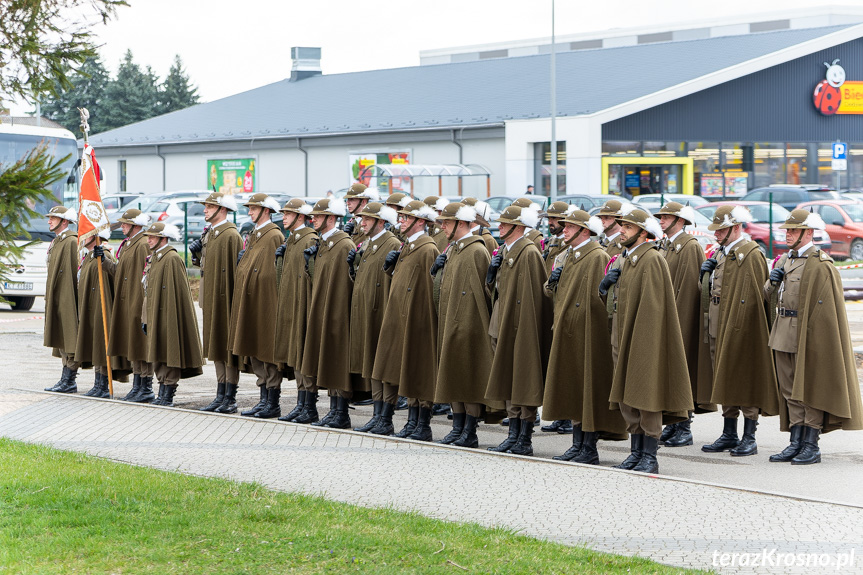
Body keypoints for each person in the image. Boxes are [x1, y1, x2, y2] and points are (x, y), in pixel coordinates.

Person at [763, 209, 863, 464]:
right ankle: (795, 441)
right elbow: (766, 294)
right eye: (786, 230)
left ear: (808, 233)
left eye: (793, 230)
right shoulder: (786, 260)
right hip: (783, 331)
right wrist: (772, 280)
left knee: (807, 388)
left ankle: (811, 443)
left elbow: (827, 311)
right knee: (789, 390)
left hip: (807, 335)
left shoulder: (820, 264)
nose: (787, 234)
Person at [600, 206, 693, 473]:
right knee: (628, 396)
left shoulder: (651, 259)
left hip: (644, 340)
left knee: (646, 394)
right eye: (622, 226)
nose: (621, 231)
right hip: (623, 335)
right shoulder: (627, 259)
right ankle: (636, 450)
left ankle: (649, 455)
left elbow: (653, 308)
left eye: (628, 227)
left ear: (643, 233)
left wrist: (644, 343)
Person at [542, 209, 626, 463]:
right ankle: (577, 443)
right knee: (574, 387)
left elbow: (601, 299)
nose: (563, 230)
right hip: (567, 329)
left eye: (569, 227)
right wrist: (552, 282)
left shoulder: (597, 256)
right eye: (564, 226)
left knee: (588, 389)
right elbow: (552, 294)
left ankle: (589, 446)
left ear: (584, 230)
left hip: (589, 333)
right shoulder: (568, 255)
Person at [700, 205, 780, 457]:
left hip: (741, 327)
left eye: (721, 230)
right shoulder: (724, 253)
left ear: (736, 228)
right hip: (718, 321)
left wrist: (744, 329)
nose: (716, 235)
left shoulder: (750, 253)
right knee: (722, 375)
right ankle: (729, 432)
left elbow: (757, 298)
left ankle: (749, 436)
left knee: (744, 377)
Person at [485, 205, 552, 455]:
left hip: (520, 327)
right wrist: (490, 275)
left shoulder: (528, 252)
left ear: (519, 226)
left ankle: (524, 437)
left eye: (505, 223)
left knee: (523, 379)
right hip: (501, 323)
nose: (499, 226)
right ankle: (513, 434)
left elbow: (534, 298)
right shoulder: (505, 250)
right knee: (508, 378)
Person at [372, 200, 441, 440]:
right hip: (401, 316)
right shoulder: (409, 246)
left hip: (418, 320)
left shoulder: (427, 248)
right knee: (407, 369)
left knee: (420, 369)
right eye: (400, 217)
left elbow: (427, 290)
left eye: (405, 218)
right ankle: (412, 422)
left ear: (420, 221)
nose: (400, 221)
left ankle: (422, 424)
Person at [432, 202, 496, 448]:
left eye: (447, 222)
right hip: (452, 321)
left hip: (470, 324)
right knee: (453, 374)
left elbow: (483, 294)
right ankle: (457, 426)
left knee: (469, 376)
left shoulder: (476, 250)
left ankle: (469, 430)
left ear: (462, 223)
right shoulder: (454, 249)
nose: (443, 226)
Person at [655, 202, 716, 447]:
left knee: (684, 372)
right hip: (668, 318)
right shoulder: (668, 246)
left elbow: (690, 291)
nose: (660, 220)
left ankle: (684, 426)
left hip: (682, 319)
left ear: (680, 221)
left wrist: (676, 323)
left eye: (666, 217)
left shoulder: (689, 247)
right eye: (660, 217)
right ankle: (674, 424)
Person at [226, 193, 285, 418]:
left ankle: (272, 401)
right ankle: (264, 398)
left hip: (264, 302)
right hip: (251, 300)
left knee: (266, 350)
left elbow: (272, 274)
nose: (249, 212)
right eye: (249, 208)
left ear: (266, 211)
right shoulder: (255, 235)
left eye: (253, 208)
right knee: (256, 353)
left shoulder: (272, 235)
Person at [302, 198, 356, 428]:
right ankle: (334, 409)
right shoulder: (324, 243)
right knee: (328, 358)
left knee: (338, 360)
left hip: (338, 312)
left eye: (318, 215)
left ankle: (341, 412)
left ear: (331, 218)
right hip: (323, 308)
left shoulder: (343, 244)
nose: (312, 218)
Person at [348, 202, 402, 434]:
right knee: (372, 365)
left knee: (383, 367)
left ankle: (385, 418)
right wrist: (353, 266)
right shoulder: (370, 244)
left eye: (368, 219)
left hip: (382, 314)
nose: (363, 223)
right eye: (362, 219)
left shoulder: (391, 243)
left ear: (381, 221)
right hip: (368, 312)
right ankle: (377, 415)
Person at [189, 192, 243, 414]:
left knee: (227, 348)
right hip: (211, 298)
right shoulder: (211, 234)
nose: (205, 210)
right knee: (216, 347)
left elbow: (234, 273)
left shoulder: (231, 236)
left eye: (210, 206)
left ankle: (229, 397)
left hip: (226, 300)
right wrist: (197, 254)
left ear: (222, 209)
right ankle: (220, 393)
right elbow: (206, 266)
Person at [141, 222, 204, 406]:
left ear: (163, 238)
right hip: (154, 312)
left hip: (168, 313)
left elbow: (177, 293)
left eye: (153, 236)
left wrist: (170, 316)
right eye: (149, 236)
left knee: (169, 351)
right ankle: (161, 389)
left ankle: (168, 391)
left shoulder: (171, 258)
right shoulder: (154, 258)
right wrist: (146, 316)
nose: (149, 239)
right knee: (157, 351)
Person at [274, 199, 320, 423]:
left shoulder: (309, 238)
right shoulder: (293, 239)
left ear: (300, 216)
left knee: (304, 355)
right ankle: (302, 404)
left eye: (288, 214)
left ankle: (309, 406)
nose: (284, 217)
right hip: (292, 303)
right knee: (297, 355)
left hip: (303, 304)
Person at [105, 208, 154, 402]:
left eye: (125, 223)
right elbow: (120, 271)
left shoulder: (142, 245)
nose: (122, 226)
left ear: (135, 225)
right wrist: (104, 261)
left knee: (140, 345)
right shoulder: (128, 245)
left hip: (137, 300)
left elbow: (144, 275)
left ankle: (146, 385)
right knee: (133, 345)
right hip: (127, 299)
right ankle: (137, 384)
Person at [76, 229, 130, 397]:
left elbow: (111, 282)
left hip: (102, 306)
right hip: (91, 306)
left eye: (85, 234)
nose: (82, 237)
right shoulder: (89, 256)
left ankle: (104, 384)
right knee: (95, 345)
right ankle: (98, 383)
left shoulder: (104, 255)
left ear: (95, 236)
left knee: (102, 344)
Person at [42, 206, 80, 394]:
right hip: (57, 295)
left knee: (69, 335)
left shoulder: (71, 242)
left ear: (64, 221)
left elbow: (73, 273)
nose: (49, 221)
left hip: (67, 296)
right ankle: (65, 378)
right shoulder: (59, 241)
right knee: (62, 337)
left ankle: (69, 379)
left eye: (53, 218)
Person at [343, 182, 380, 247]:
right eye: (347, 200)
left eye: (352, 199)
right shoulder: (353, 222)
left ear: (363, 202)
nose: (347, 203)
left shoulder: (371, 223)